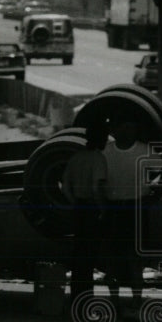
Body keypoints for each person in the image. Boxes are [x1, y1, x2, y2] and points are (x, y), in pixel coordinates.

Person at [102, 119, 159, 313]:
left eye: (130, 127)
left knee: (134, 258)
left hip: (136, 209)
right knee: (113, 258)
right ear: (115, 130)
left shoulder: (144, 151)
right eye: (122, 127)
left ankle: (137, 300)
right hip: (113, 209)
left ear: (135, 130)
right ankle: (114, 300)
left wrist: (153, 195)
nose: (126, 131)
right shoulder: (106, 151)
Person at [62, 123, 110, 302]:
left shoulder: (76, 157)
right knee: (90, 256)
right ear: (101, 139)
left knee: (79, 253)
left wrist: (75, 202)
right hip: (92, 209)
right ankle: (86, 297)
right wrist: (103, 209)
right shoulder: (98, 158)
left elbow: (65, 186)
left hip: (79, 208)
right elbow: (97, 187)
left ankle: (76, 295)